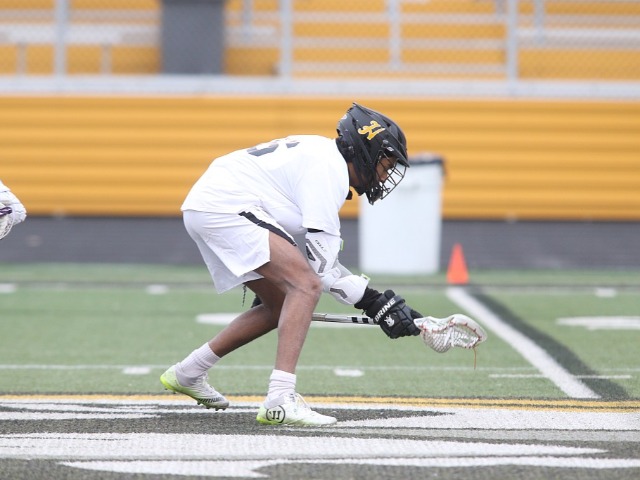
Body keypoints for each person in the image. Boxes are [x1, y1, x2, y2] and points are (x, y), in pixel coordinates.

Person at [161, 103, 424, 426]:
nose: (385, 174)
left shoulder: (323, 158)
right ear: (366, 151)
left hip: (211, 205)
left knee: (281, 304)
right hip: (225, 206)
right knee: (305, 287)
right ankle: (280, 399)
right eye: (386, 163)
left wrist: (377, 302)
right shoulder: (329, 170)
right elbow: (320, 271)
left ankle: (188, 372)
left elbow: (319, 261)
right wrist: (375, 303)